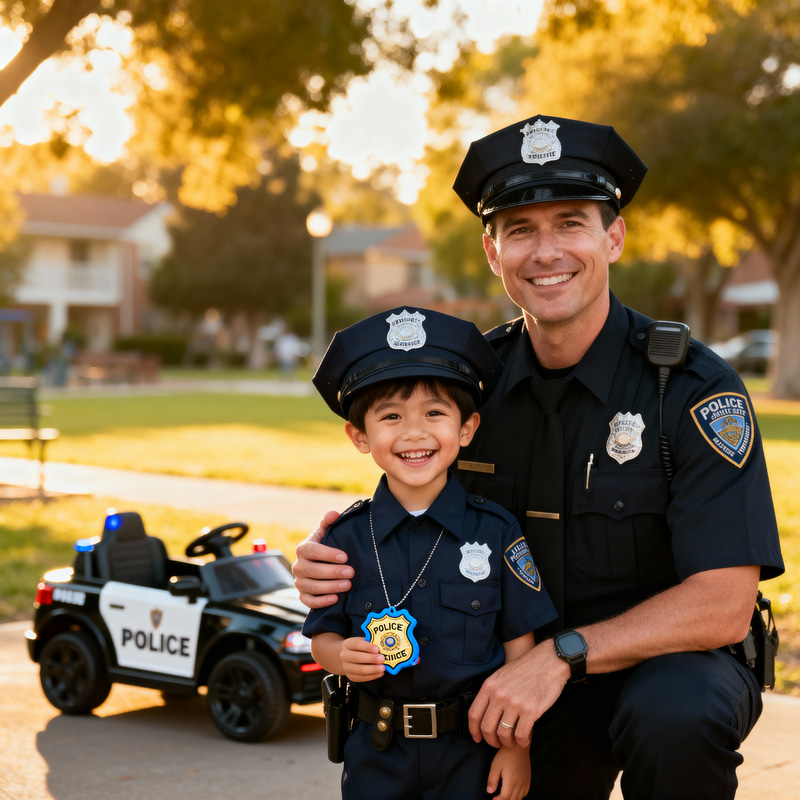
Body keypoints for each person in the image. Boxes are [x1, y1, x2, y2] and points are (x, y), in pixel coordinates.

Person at [294, 115, 785, 799]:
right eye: (520, 229)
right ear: (493, 253)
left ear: (613, 237)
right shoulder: (471, 387)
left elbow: (724, 605)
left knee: (675, 718)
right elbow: (413, 501)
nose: (545, 251)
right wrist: (330, 555)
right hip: (520, 673)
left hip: (665, 664)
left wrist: (562, 655)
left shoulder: (691, 388)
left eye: (571, 223)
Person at [303, 306, 558, 800]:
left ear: (466, 429)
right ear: (360, 436)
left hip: (473, 752)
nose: (414, 433)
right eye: (391, 416)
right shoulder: (343, 541)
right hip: (377, 753)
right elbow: (320, 639)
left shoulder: (497, 532)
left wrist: (516, 746)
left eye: (435, 413)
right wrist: (342, 657)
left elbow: (519, 652)